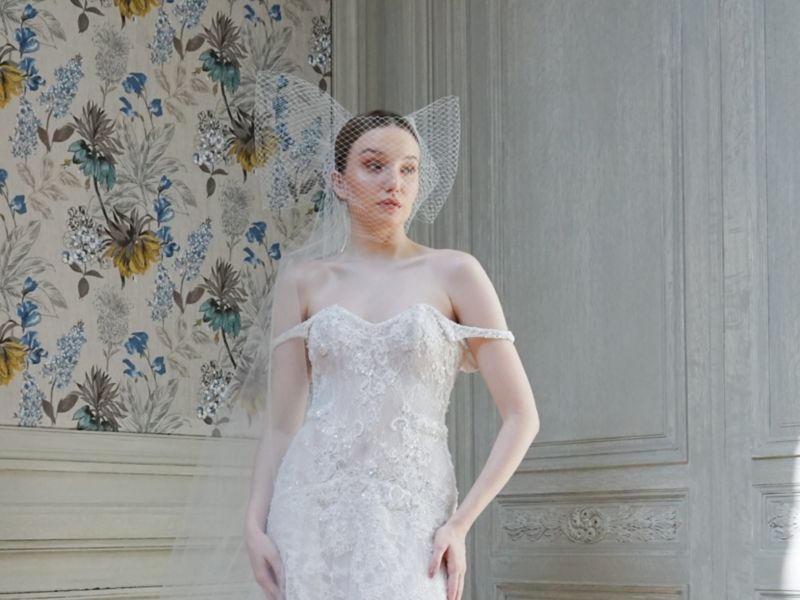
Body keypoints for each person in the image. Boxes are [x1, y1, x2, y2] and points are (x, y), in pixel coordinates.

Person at [157, 71, 539, 600]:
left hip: (413, 517)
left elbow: (522, 416)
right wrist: (253, 524)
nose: (394, 183)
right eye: (374, 166)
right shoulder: (304, 281)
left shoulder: (456, 273)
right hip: (309, 510)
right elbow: (282, 427)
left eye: (408, 169)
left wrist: (460, 524)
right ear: (339, 181)